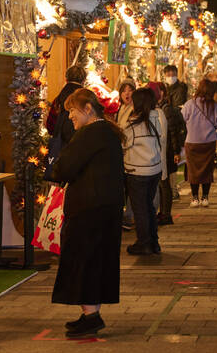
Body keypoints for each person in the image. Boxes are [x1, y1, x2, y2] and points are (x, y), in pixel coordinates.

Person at [51, 89, 126, 337]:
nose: (70, 115)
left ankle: (91, 316)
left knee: (84, 261)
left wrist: (55, 169)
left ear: (87, 109)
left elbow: (65, 166)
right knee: (96, 262)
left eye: (73, 109)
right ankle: (90, 313)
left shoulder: (90, 133)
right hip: (105, 207)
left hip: (89, 210)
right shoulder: (107, 132)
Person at [122, 88, 166, 255]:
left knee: (140, 209)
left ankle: (144, 243)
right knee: (148, 207)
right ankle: (153, 242)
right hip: (154, 169)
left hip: (137, 171)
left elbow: (125, 144)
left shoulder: (133, 124)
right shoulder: (156, 118)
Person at [182, 79, 217, 207]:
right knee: (207, 171)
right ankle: (205, 197)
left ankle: (194, 198)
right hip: (209, 142)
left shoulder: (189, 104)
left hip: (192, 141)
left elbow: (182, 118)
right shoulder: (214, 106)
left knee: (193, 171)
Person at [151, 82, 186, 226]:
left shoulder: (165, 110)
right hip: (164, 151)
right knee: (162, 184)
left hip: (167, 152)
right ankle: (163, 213)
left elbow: (171, 132)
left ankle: (166, 214)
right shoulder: (159, 109)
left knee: (164, 184)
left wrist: (176, 151)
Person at [46, 65, 85, 148]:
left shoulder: (58, 99)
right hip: (80, 143)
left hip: (60, 144)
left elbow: (50, 124)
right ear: (84, 80)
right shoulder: (86, 98)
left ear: (66, 79)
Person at [116, 78, 136, 229]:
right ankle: (125, 214)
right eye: (124, 90)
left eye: (130, 90)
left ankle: (130, 216)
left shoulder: (135, 109)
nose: (127, 93)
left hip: (130, 152)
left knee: (131, 185)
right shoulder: (120, 108)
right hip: (120, 152)